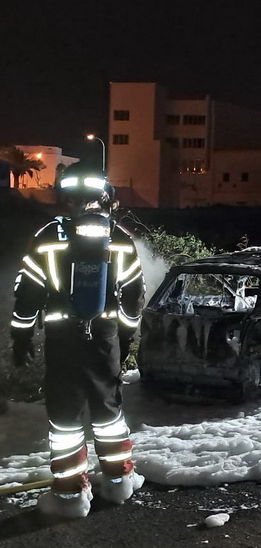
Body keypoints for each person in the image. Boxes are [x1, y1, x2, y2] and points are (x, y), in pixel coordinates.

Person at [9, 162, 145, 518]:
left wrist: (20, 337)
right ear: (106, 198)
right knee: (109, 411)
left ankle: (69, 496)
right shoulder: (120, 238)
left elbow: (27, 294)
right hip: (105, 338)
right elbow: (133, 297)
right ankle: (118, 482)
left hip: (62, 338)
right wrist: (126, 337)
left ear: (65, 198)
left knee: (65, 418)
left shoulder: (47, 237)